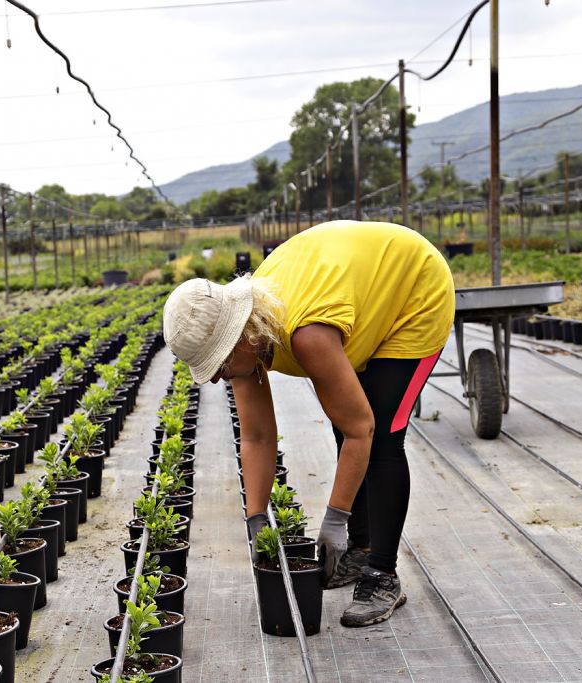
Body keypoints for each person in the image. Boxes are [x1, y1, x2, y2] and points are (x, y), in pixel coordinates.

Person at [162, 220, 455, 627]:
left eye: (219, 362)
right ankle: (360, 550)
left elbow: (361, 430)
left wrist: (335, 519)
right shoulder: (251, 339)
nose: (215, 377)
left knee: (381, 434)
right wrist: (256, 519)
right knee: (347, 420)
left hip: (412, 289)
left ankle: (382, 574)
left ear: (239, 334)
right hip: (356, 289)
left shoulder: (306, 335)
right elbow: (258, 436)